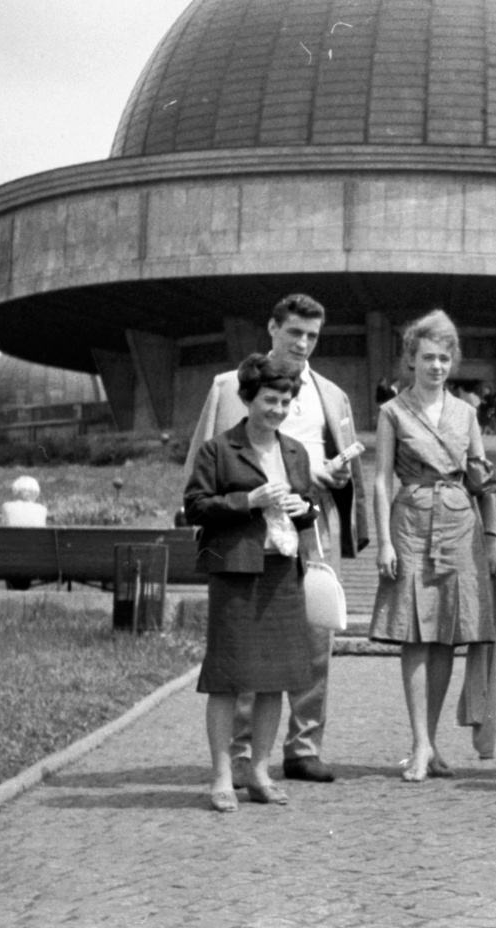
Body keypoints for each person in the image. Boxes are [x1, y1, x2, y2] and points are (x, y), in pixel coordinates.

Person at [182, 293, 369, 786]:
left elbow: (344, 463)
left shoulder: (332, 394)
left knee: (312, 637)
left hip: (309, 520)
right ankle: (241, 753)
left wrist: (334, 478)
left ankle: (304, 746)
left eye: (312, 336)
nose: (303, 344)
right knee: (247, 643)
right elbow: (204, 456)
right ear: (272, 329)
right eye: (294, 334)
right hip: (244, 529)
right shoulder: (228, 386)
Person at [370, 309, 496, 780]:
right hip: (409, 522)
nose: (436, 366)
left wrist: (491, 538)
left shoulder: (466, 413)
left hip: (459, 523)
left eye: (445, 358)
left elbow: (483, 479)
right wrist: (384, 541)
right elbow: (382, 480)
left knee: (446, 633)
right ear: (410, 359)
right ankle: (419, 742)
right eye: (427, 357)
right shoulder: (392, 412)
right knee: (414, 633)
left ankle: (431, 743)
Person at [183, 355, 319, 812]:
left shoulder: (296, 451)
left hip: (283, 574)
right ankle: (223, 776)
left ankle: (259, 770)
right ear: (247, 398)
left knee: (275, 680)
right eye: (270, 399)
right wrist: (249, 500)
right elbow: (195, 506)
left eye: (286, 400)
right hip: (236, 573)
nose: (278, 408)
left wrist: (307, 511)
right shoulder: (218, 450)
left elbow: (309, 505)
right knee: (226, 680)